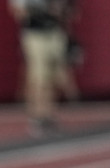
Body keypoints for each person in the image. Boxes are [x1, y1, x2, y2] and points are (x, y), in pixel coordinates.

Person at [9, 0, 78, 136]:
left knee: (54, 77)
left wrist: (62, 11)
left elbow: (70, 11)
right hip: (35, 35)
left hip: (54, 33)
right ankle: (37, 116)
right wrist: (41, 11)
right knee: (39, 78)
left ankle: (48, 113)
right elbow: (18, 13)